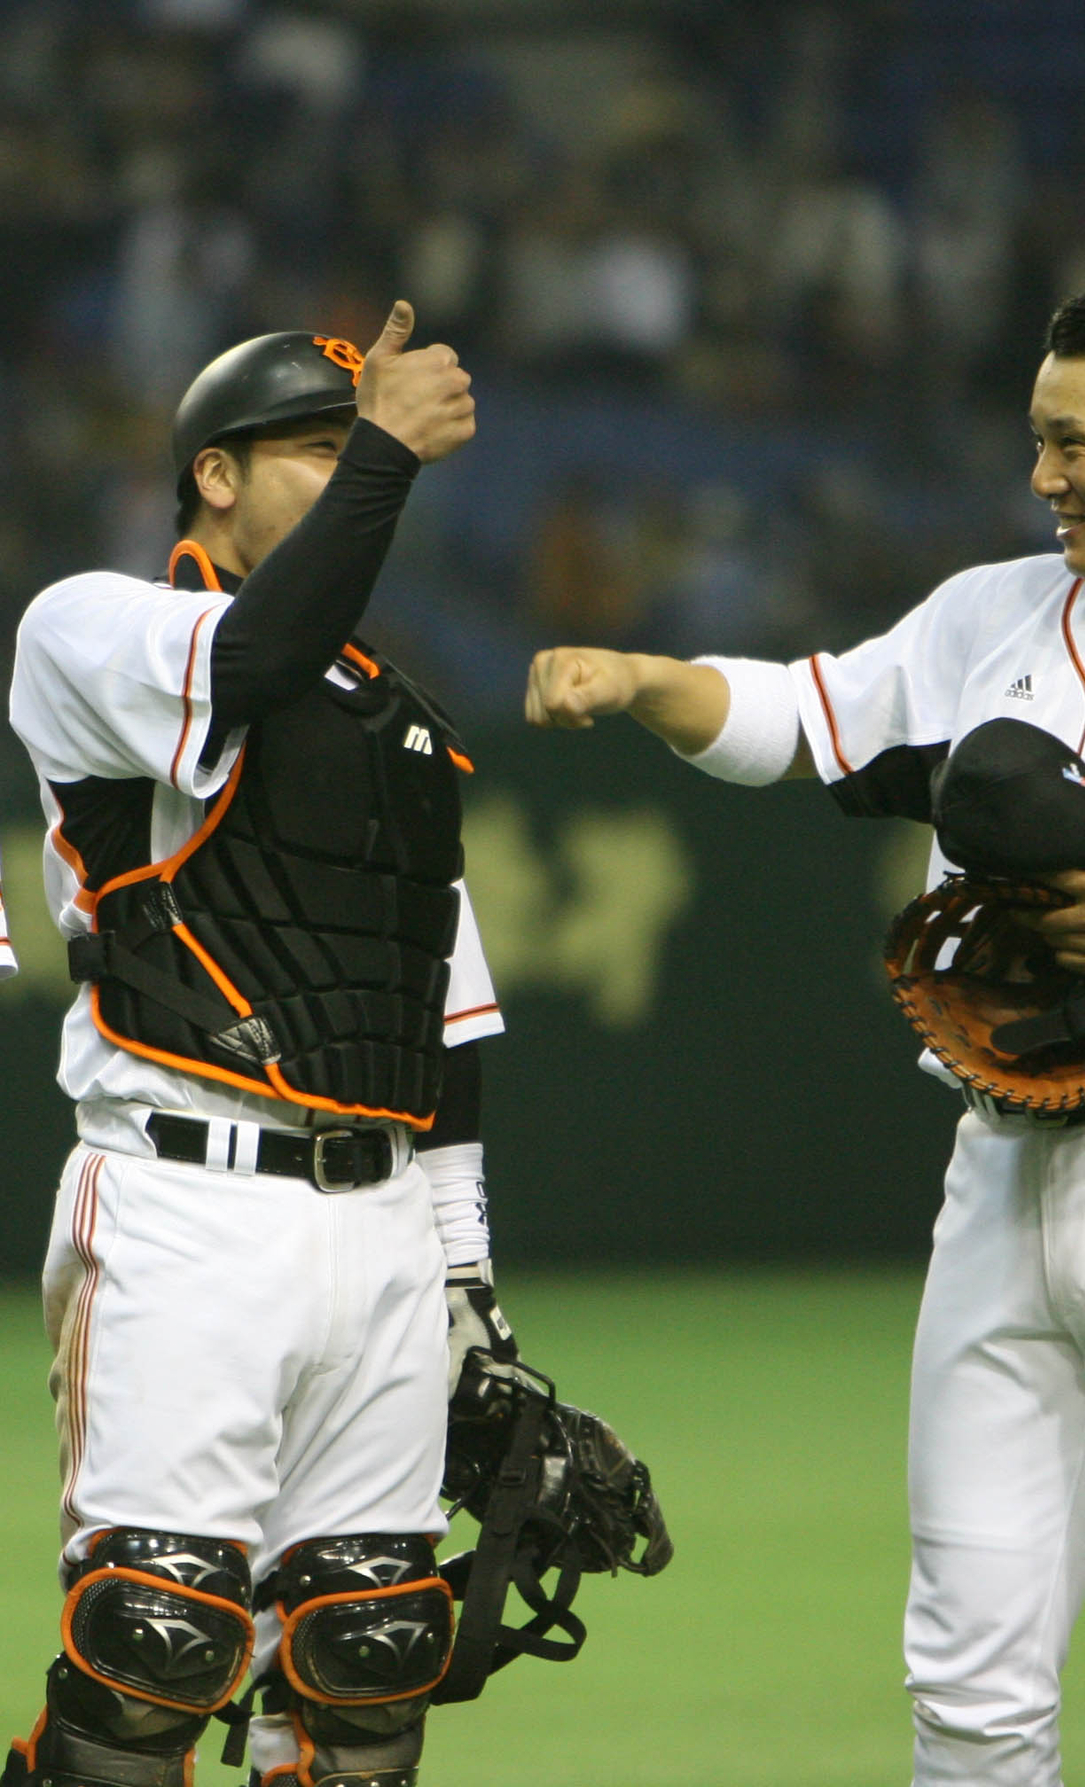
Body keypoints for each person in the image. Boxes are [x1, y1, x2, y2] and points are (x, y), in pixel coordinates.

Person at [526, 285, 1085, 1786]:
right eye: (1035, 440)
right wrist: (641, 683)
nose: (1043, 476)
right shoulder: (990, 620)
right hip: (1003, 1178)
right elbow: (805, 717)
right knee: (966, 1682)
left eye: (1071, 441)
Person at [5, 304, 518, 1787]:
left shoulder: (391, 722)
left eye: (345, 445)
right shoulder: (92, 626)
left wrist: (468, 1288)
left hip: (382, 1235)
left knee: (371, 1660)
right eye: (312, 445)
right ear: (213, 477)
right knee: (151, 1648)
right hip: (184, 1201)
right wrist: (392, 453)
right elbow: (253, 655)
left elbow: (445, 1032)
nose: (345, 465)